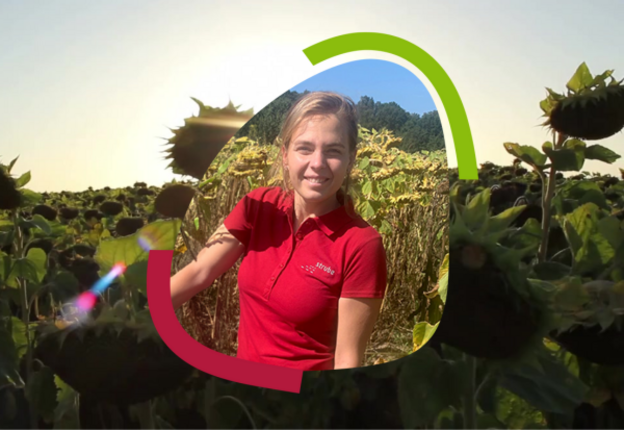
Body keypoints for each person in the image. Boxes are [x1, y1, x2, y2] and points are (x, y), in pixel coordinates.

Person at [170, 91, 388, 371]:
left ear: (350, 159)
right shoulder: (258, 207)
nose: (318, 163)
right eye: (305, 148)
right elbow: (198, 273)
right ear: (285, 155)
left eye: (333, 151)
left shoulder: (361, 243)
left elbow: (347, 360)